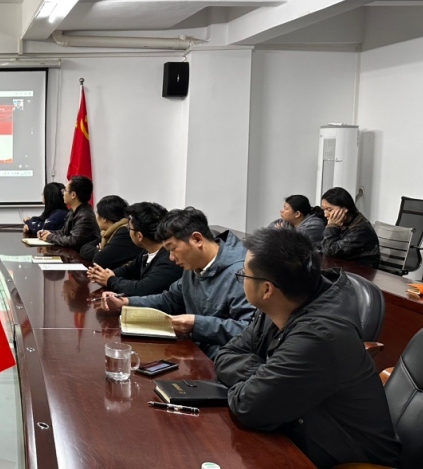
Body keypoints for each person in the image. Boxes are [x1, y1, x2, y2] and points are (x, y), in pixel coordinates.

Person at [215, 228, 400, 468]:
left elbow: (248, 407)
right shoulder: (280, 304)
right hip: (300, 437)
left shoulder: (319, 336)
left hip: (350, 458)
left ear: (267, 289)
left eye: (244, 275)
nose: (241, 280)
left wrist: (262, 384)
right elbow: (226, 355)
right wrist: (263, 377)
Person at [107, 207, 254, 359]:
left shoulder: (241, 273)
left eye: (173, 249)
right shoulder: (193, 265)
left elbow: (250, 332)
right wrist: (126, 302)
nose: (171, 258)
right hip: (196, 353)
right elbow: (170, 299)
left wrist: (197, 324)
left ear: (197, 239)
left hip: (224, 361)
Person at [88, 202, 183, 306]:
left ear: (139, 236)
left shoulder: (169, 259)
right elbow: (129, 270)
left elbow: (143, 288)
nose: (128, 230)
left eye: (129, 228)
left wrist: (110, 280)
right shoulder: (147, 251)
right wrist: (105, 274)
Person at [319, 187, 381, 268]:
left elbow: (330, 251)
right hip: (343, 268)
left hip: (360, 273)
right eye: (324, 210)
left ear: (345, 208)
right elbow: (323, 246)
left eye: (329, 210)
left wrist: (331, 227)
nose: (325, 214)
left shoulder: (361, 230)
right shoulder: (341, 223)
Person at [37, 176, 99, 251]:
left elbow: (73, 241)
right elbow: (64, 232)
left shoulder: (85, 216)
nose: (63, 193)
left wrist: (50, 237)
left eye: (65, 190)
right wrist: (47, 233)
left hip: (81, 256)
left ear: (73, 195)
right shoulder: (72, 212)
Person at [79, 194, 140, 268]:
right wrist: (100, 251)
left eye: (97, 214)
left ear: (104, 218)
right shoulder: (107, 233)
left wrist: (102, 251)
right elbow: (84, 249)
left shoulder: (124, 232)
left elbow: (99, 260)